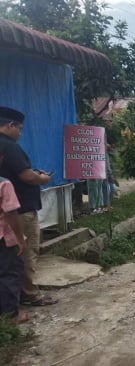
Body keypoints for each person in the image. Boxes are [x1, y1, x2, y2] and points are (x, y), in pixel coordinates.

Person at [0, 106, 57, 307]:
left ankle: (14, 298)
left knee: (8, 257)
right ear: (10, 125)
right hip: (20, 211)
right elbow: (26, 176)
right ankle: (29, 294)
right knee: (26, 251)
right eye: (20, 129)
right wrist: (42, 178)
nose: (20, 133)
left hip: (5, 212)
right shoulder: (9, 146)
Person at [0, 148, 29, 324]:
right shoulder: (4, 184)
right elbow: (11, 214)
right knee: (10, 274)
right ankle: (11, 315)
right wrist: (20, 239)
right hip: (4, 238)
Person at [102, 141, 116, 210]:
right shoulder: (102, 153)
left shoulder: (107, 153)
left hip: (109, 174)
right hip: (104, 174)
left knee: (113, 189)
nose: (111, 146)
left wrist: (111, 174)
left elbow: (108, 165)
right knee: (106, 190)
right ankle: (106, 205)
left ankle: (108, 204)